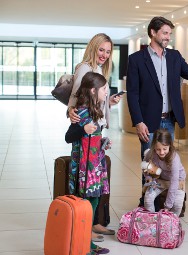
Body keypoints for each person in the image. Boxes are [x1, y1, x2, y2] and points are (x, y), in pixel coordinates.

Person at [126, 16, 188, 206]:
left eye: (169, 34)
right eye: (165, 33)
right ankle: (146, 203)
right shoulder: (137, 60)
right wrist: (138, 121)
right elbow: (132, 94)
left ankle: (165, 202)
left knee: (167, 164)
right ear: (153, 32)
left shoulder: (174, 57)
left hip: (168, 120)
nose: (168, 37)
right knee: (149, 164)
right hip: (147, 122)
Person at [67, 33, 119, 241]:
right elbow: (77, 96)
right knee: (85, 185)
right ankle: (84, 226)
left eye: (108, 51)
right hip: (84, 129)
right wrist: (71, 111)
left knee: (95, 185)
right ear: (93, 48)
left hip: (95, 129)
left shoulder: (99, 69)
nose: (105, 55)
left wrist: (109, 102)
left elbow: (97, 99)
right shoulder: (85, 68)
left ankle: (94, 222)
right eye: (101, 50)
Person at [65, 72, 111, 255]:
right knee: (86, 206)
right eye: (104, 89)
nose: (107, 92)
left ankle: (86, 240)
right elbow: (68, 137)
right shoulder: (81, 112)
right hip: (85, 169)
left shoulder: (95, 111)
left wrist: (104, 142)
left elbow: (94, 138)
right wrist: (83, 129)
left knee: (94, 201)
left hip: (95, 166)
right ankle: (85, 244)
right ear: (93, 91)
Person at [143, 129, 186, 216]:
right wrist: (149, 178)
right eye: (158, 149)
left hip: (177, 181)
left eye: (164, 149)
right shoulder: (150, 153)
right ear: (154, 146)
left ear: (170, 145)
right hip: (160, 180)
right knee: (148, 199)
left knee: (177, 205)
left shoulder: (174, 158)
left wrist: (167, 206)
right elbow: (144, 166)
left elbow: (174, 182)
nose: (161, 152)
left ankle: (171, 223)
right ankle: (152, 221)